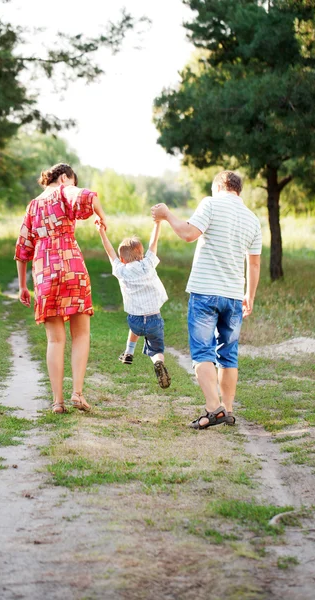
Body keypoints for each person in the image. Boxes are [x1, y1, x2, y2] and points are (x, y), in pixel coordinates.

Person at [151, 170, 261, 429]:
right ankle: (229, 410)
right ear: (238, 189)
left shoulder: (211, 203)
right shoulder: (253, 219)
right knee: (229, 355)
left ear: (219, 186)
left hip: (205, 292)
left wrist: (167, 215)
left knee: (202, 352)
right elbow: (254, 264)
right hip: (234, 296)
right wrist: (250, 296)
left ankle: (214, 409)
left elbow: (188, 234)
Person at [14, 162, 106, 414]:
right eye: (72, 181)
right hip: (72, 268)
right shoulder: (65, 190)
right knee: (81, 334)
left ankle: (57, 402)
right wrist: (101, 215)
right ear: (64, 178)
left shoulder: (33, 205)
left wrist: (23, 285)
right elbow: (87, 196)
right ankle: (77, 393)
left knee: (55, 340)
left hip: (44, 271)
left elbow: (22, 248)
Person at [96, 220, 171, 389]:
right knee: (156, 349)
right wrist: (157, 224)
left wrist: (102, 232)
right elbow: (154, 242)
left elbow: (109, 252)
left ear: (122, 259)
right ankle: (158, 363)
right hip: (154, 319)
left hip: (135, 321)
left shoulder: (120, 270)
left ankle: (129, 352)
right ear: (142, 254)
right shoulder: (148, 264)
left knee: (135, 324)